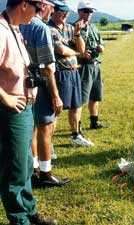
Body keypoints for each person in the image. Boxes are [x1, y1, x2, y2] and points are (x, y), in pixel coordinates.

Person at [0, 0, 58, 224]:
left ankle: (29, 212)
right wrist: (5, 97)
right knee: (14, 169)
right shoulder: (2, 30)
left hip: (25, 107)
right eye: (37, 7)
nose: (40, 12)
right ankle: (20, 219)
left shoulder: (14, 28)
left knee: (24, 164)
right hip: (11, 112)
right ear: (24, 4)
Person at [20, 0, 70, 187]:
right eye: (51, 6)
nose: (52, 10)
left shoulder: (18, 24)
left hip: (23, 83)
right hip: (40, 84)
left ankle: (33, 169)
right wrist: (56, 95)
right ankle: (46, 173)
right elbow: (48, 68)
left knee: (32, 129)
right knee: (46, 127)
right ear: (44, 5)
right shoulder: (40, 27)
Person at [48, 1, 94, 146]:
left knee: (76, 106)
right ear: (53, 11)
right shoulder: (49, 29)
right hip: (60, 73)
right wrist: (78, 55)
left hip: (74, 71)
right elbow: (61, 50)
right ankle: (48, 143)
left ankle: (75, 136)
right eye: (62, 11)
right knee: (56, 110)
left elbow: (81, 48)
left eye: (67, 11)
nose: (66, 14)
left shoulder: (70, 28)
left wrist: (77, 33)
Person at [76, 0, 107, 130]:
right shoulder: (74, 28)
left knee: (95, 96)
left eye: (91, 12)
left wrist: (101, 48)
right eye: (86, 11)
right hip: (84, 66)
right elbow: (70, 49)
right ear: (79, 12)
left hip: (96, 65)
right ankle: (77, 127)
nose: (89, 14)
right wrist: (80, 54)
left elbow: (102, 44)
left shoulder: (94, 27)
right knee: (81, 99)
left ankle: (94, 122)